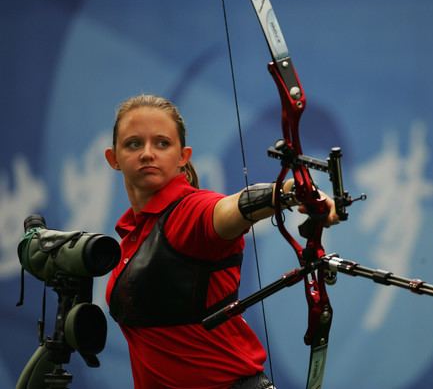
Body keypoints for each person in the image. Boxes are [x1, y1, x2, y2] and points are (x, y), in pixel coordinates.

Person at [104, 94, 339, 389]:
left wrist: (291, 192)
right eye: (133, 144)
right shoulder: (132, 235)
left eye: (162, 143)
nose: (148, 153)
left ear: (183, 156)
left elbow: (229, 209)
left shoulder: (188, 212)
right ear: (113, 158)